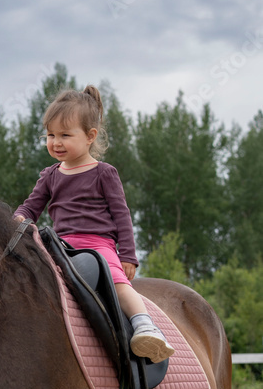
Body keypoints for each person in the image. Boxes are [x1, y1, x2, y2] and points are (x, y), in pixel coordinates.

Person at [13, 85, 174, 363]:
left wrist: (127, 255)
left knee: (118, 283)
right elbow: (31, 207)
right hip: (62, 247)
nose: (56, 142)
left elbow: (121, 215)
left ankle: (145, 326)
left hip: (99, 245)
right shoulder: (50, 175)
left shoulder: (104, 173)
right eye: (50, 135)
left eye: (65, 135)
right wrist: (17, 220)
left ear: (90, 136)